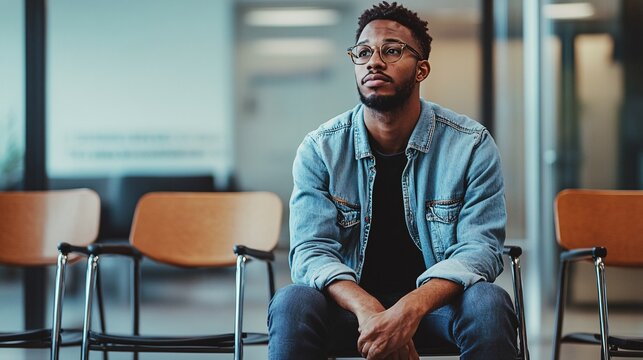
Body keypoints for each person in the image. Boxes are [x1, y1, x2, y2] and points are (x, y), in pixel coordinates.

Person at [268, 2, 518, 359]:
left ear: (422, 69)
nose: (374, 61)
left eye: (392, 50)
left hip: (436, 308)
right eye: (364, 52)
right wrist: (370, 310)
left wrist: (408, 311)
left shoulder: (470, 145)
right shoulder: (320, 149)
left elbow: (480, 250)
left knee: (489, 302)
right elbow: (311, 253)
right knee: (292, 301)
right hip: (349, 309)